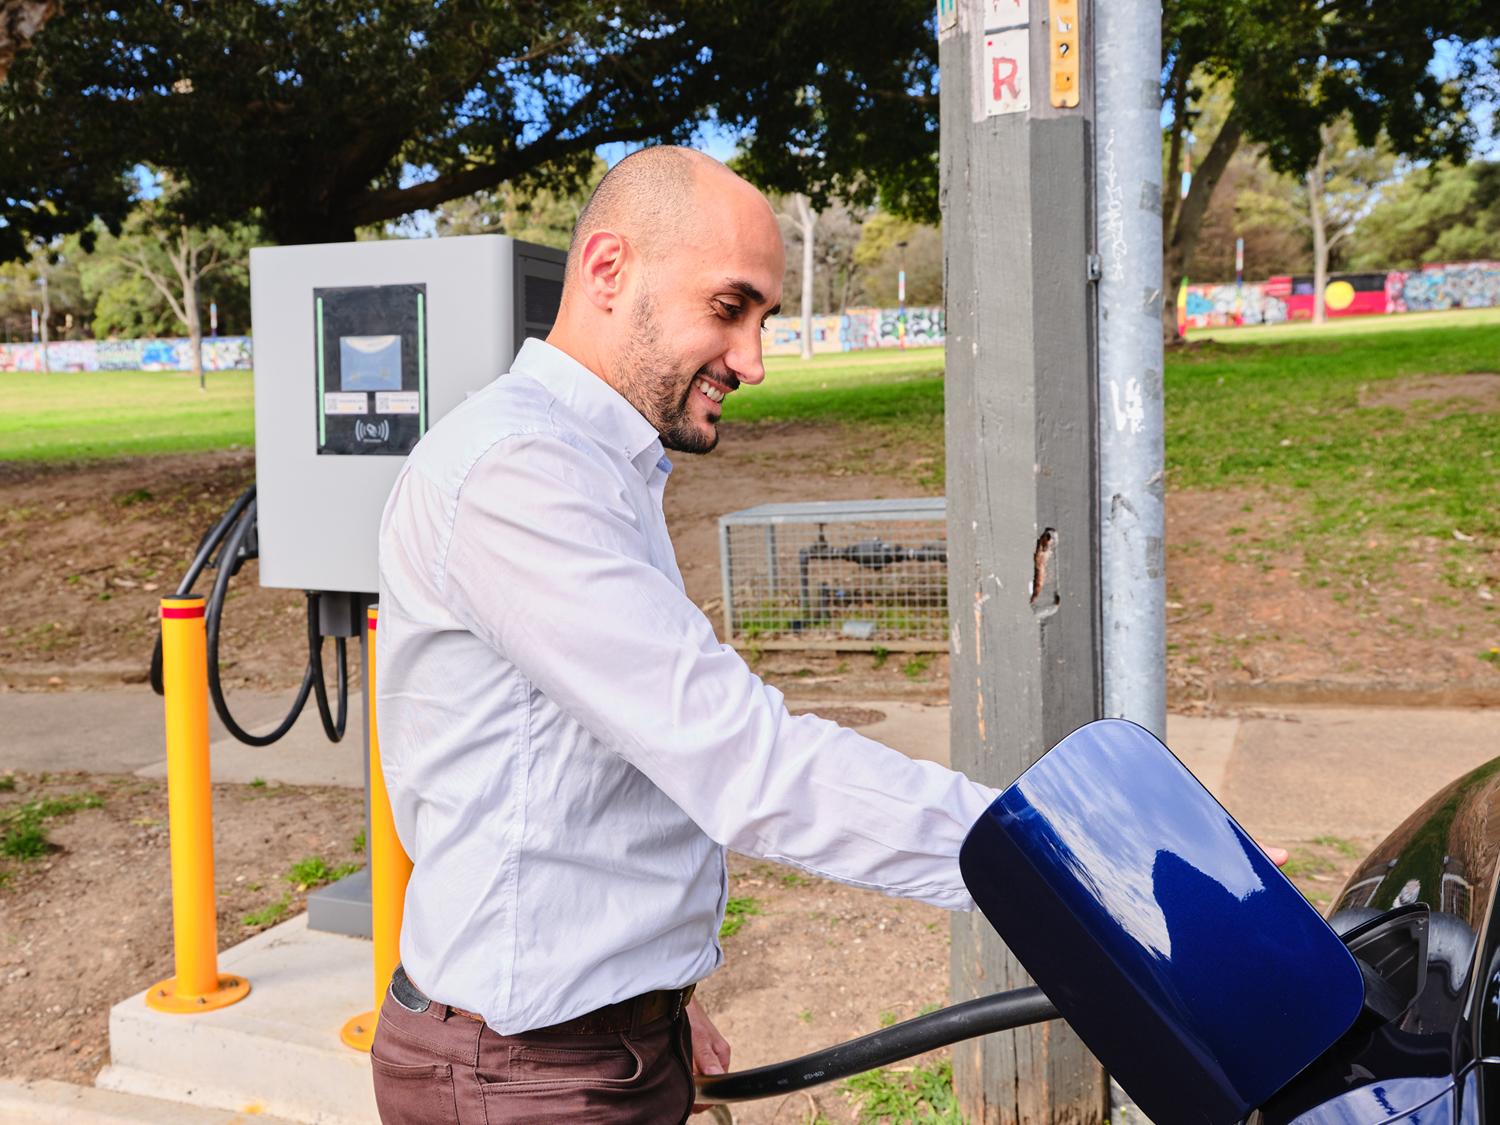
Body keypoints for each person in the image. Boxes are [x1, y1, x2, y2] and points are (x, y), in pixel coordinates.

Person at [370, 146, 1000, 1124]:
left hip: (590, 1042)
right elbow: (742, 760)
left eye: (763, 320)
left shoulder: (598, 463)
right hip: (526, 1076)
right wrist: (1039, 865)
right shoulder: (516, 473)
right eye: (729, 307)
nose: (753, 360)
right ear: (608, 270)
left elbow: (602, 777)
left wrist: (656, 1000)